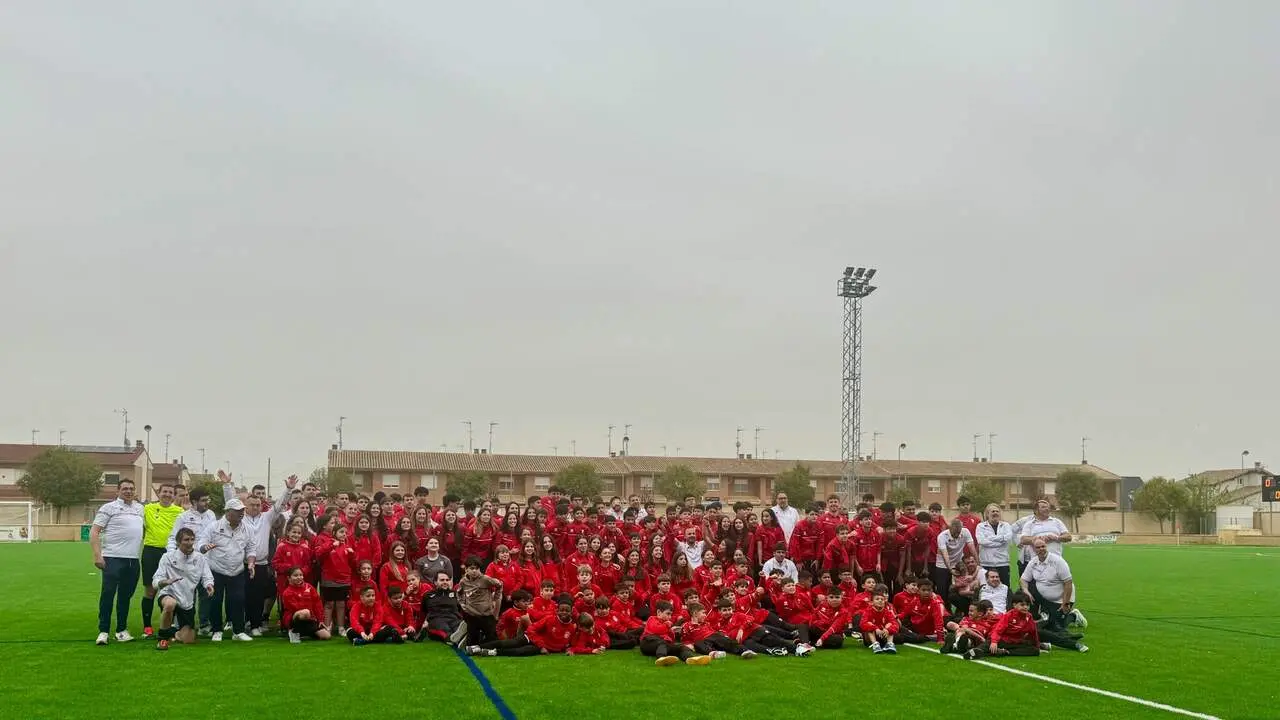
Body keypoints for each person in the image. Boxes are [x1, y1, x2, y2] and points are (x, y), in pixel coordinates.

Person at [91, 478, 145, 645]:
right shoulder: (109, 507)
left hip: (133, 560)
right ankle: (103, 631)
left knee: (125, 597)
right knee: (108, 595)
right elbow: (94, 532)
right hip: (112, 558)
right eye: (125, 489)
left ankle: (121, 630)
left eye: (131, 488)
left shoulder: (140, 508)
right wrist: (97, 555)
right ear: (118, 491)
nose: (128, 491)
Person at [197, 498, 259, 642]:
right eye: (237, 511)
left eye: (242, 510)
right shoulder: (214, 526)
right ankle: (216, 630)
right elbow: (201, 542)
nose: (241, 513)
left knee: (238, 599)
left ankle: (238, 631)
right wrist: (204, 548)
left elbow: (251, 548)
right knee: (215, 600)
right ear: (228, 512)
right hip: (216, 569)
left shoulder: (247, 528)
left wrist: (251, 564)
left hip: (237, 570)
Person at [151, 527, 214, 651]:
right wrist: (165, 582)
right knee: (170, 604)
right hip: (169, 593)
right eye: (186, 540)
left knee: (188, 640)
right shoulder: (167, 557)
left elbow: (207, 576)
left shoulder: (200, 558)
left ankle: (174, 633)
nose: (190, 542)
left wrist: (209, 585)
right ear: (178, 542)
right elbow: (155, 581)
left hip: (187, 601)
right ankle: (162, 639)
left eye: (192, 539)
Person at [139, 483, 184, 638]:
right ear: (158, 493)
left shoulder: (180, 512)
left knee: (171, 591)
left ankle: (168, 626)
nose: (167, 494)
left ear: (174, 495)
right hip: (151, 551)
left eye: (171, 492)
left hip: (172, 553)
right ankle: (147, 627)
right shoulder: (147, 509)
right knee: (150, 590)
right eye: (164, 491)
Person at [1021, 538, 1076, 632]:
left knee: (1057, 627)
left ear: (1046, 546)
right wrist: (1026, 591)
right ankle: (1035, 616)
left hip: (1061, 599)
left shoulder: (1058, 561)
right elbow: (1023, 579)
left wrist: (1065, 603)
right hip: (1045, 598)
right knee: (1023, 592)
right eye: (1038, 547)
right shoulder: (1033, 562)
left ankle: (1074, 616)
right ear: (1034, 549)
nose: (1041, 549)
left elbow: (1068, 582)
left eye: (1043, 546)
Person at [1013, 499, 1072, 575]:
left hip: (1056, 561)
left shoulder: (1057, 521)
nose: (1047, 509)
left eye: (1048, 507)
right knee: (1037, 585)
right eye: (1043, 507)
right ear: (1036, 510)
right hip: (1037, 562)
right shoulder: (1029, 524)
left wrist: (1056, 538)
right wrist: (1038, 540)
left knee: (1058, 584)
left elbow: (1068, 537)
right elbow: (1023, 539)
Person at [641, 600, 710, 666]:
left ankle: (691, 658)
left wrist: (672, 632)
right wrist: (667, 626)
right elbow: (656, 630)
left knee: (681, 647)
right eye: (667, 614)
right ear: (659, 612)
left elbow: (671, 639)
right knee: (662, 642)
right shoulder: (652, 619)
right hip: (647, 643)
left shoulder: (667, 624)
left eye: (671, 614)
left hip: (663, 646)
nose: (669, 617)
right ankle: (661, 658)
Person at [458, 556, 503, 647]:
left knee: (493, 642)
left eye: (477, 568)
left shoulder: (486, 579)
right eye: (472, 568)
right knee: (472, 643)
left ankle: (487, 646)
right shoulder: (463, 582)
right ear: (466, 569)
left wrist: (495, 599)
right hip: (472, 615)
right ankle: (467, 642)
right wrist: (462, 603)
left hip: (486, 615)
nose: (474, 571)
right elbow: (459, 593)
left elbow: (499, 584)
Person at [279, 566, 331, 643]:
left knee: (326, 636)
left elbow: (317, 604)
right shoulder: (287, 592)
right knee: (305, 612)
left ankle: (305, 632)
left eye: (301, 575)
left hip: (309, 618)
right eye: (295, 575)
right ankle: (293, 631)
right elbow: (294, 608)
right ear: (289, 578)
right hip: (294, 618)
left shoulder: (309, 587)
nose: (299, 577)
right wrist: (308, 612)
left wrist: (320, 620)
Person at [933, 519, 977, 608]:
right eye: (954, 533)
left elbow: (972, 547)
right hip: (942, 565)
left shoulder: (965, 531)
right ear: (950, 529)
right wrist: (950, 569)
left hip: (958, 563)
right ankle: (945, 611)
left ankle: (960, 610)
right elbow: (945, 554)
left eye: (958, 532)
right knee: (943, 591)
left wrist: (978, 563)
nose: (957, 535)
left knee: (961, 589)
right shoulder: (942, 536)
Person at [976, 504, 1014, 586]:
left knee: (1005, 588)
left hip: (1003, 563)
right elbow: (981, 541)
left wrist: (990, 538)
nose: (995, 513)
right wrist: (1001, 540)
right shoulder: (980, 526)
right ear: (987, 514)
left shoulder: (1006, 525)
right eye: (993, 511)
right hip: (986, 564)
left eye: (997, 511)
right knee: (986, 589)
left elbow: (1008, 538)